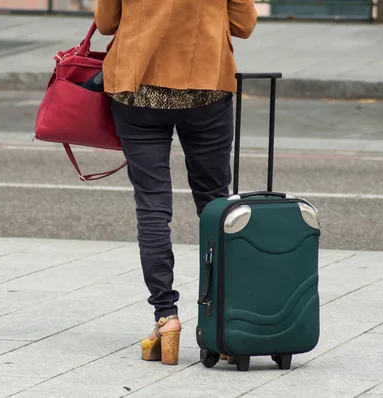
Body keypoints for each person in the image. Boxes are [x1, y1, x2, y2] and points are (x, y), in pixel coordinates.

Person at [94, 0, 258, 365]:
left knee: (152, 205)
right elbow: (244, 26)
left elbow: (106, 24)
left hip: (137, 87)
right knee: (216, 205)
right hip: (206, 86)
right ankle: (224, 324)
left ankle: (166, 317)